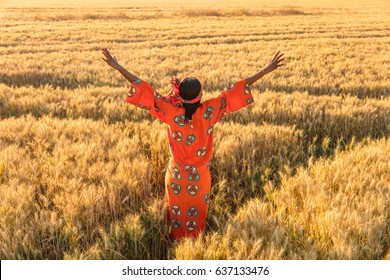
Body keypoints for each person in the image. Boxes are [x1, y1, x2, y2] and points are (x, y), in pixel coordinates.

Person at [102, 48, 284, 241]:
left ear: (181, 94)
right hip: (199, 179)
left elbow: (144, 88)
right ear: (201, 94)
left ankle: (176, 251)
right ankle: (195, 252)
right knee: (197, 222)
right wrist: (266, 70)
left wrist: (118, 66)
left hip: (177, 177)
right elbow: (238, 89)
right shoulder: (210, 111)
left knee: (176, 220)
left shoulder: (170, 112)